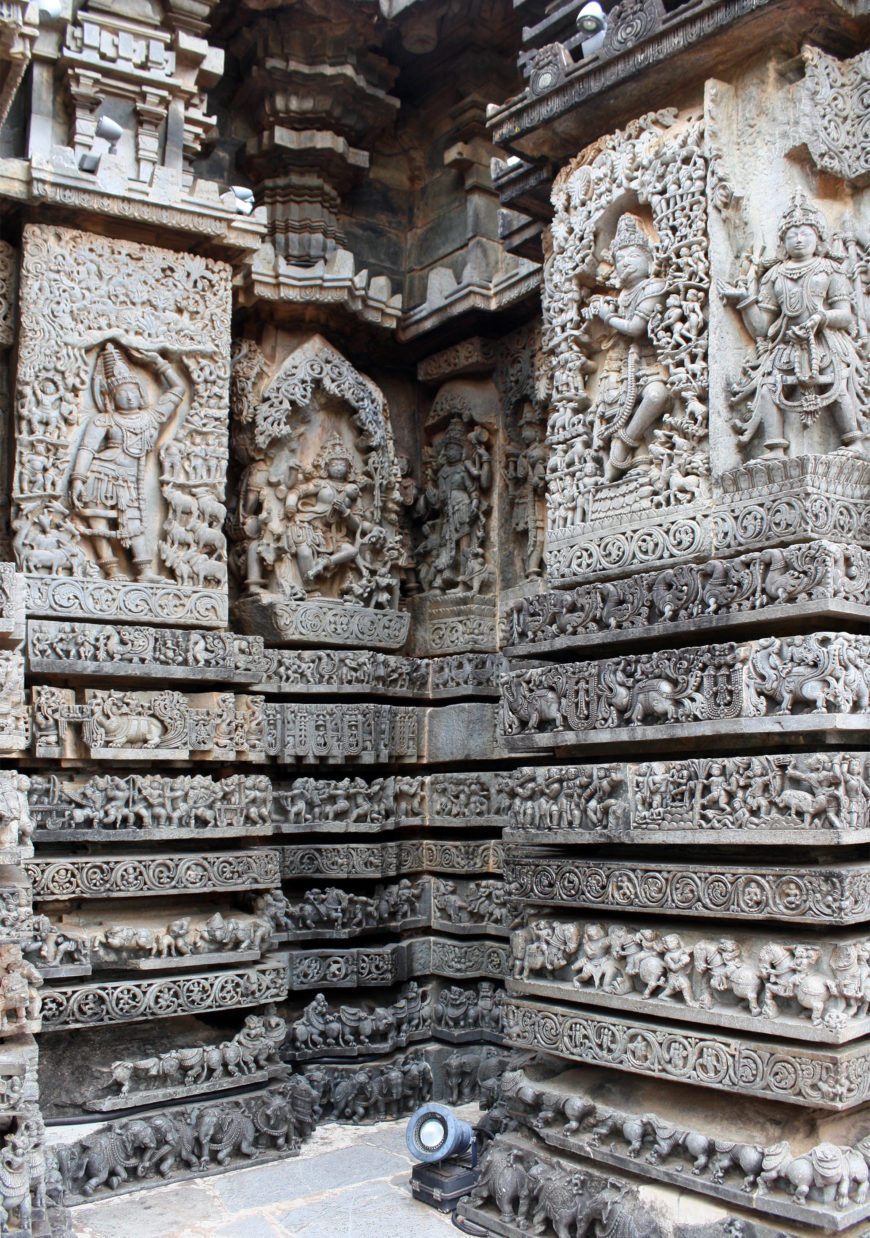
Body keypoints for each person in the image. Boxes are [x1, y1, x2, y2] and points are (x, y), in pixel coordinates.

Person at [719, 192, 868, 457]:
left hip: (825, 341)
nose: (799, 239)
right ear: (783, 241)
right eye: (792, 235)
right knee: (768, 387)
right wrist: (745, 301)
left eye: (805, 233)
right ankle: (775, 447)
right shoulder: (775, 274)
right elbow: (762, 328)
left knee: (838, 386)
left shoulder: (829, 269)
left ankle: (854, 442)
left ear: (818, 237)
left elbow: (845, 315)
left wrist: (822, 318)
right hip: (787, 342)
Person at [69, 341, 184, 580]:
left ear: (141, 393)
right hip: (101, 475)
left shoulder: (150, 417)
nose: (129, 397)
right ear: (111, 397)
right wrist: (77, 479)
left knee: (133, 521)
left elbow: (178, 389)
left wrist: (158, 362)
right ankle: (110, 570)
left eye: (133, 391)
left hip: (129, 480)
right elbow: (87, 449)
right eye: (122, 393)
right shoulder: (104, 420)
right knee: (99, 521)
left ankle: (143, 571)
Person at [585, 213, 670, 481]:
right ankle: (637, 462)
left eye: (633, 256)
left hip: (651, 361)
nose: (625, 264)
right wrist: (598, 310)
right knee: (612, 406)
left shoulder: (654, 287)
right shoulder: (620, 296)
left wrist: (607, 317)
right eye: (620, 260)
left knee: (656, 396)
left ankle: (624, 444)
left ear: (649, 258)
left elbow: (635, 328)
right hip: (622, 365)